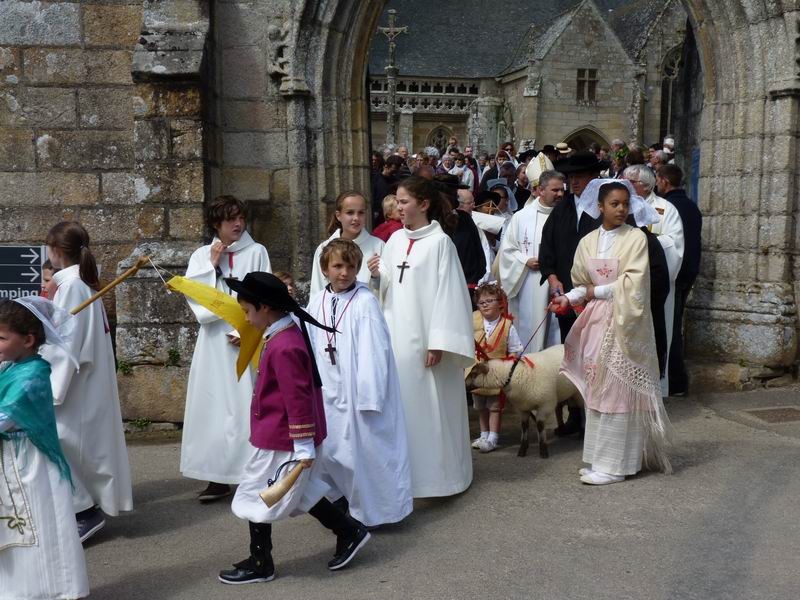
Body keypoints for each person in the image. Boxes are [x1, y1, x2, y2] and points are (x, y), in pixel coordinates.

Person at [219, 273, 369, 584]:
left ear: (264, 308)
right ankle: (349, 531)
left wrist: (302, 445)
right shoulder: (282, 333)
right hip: (281, 435)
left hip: (284, 439)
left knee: (256, 493)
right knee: (302, 494)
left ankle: (261, 563)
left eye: (248, 311)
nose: (246, 317)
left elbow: (297, 398)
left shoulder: (284, 344)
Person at [550, 180, 672, 485]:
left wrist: (595, 290)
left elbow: (636, 284)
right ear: (600, 206)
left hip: (624, 322)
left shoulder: (636, 239)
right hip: (596, 321)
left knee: (617, 391)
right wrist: (569, 298)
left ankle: (617, 465)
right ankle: (599, 457)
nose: (621, 209)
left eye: (625, 204)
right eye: (614, 204)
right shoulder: (588, 241)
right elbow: (580, 282)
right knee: (597, 388)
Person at [368, 176, 474, 498]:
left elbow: (450, 295)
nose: (398, 207)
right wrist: (376, 275)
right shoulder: (396, 241)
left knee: (432, 409)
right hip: (397, 340)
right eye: (397, 202)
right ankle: (406, 478)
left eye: (403, 202)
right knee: (403, 410)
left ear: (423, 204)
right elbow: (388, 289)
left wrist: (439, 341)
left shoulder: (441, 244)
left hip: (428, 343)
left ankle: (442, 479)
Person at [307, 240, 413, 527]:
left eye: (350, 267)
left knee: (364, 454)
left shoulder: (364, 302)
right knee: (331, 452)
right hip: (328, 389)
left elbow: (374, 351)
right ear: (325, 269)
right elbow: (310, 341)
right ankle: (343, 500)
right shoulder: (317, 301)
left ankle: (376, 513)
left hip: (357, 391)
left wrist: (369, 396)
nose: (344, 273)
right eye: (337, 266)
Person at [43, 221, 133, 542]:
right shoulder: (83, 283)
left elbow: (64, 345)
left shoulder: (71, 287)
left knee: (54, 443)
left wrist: (48, 386)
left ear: (55, 251)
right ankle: (80, 506)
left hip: (73, 383)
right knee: (80, 448)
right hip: (86, 379)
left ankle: (84, 510)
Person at [181, 196, 271, 502]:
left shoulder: (257, 251)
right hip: (211, 342)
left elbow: (265, 293)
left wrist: (244, 329)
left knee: (244, 405)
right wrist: (211, 265)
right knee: (212, 406)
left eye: (240, 218)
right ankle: (217, 476)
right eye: (230, 219)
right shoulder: (200, 256)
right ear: (216, 224)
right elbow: (198, 300)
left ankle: (251, 474)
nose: (237, 224)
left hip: (243, 338)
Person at [0, 298, 89, 599]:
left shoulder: (33, 374)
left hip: (31, 464)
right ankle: (17, 588)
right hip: (12, 458)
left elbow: (6, 417)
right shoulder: (11, 366)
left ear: (27, 340)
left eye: (1, 337)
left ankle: (52, 589)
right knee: (17, 524)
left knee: (38, 523)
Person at [624, 165, 685, 394]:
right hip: (627, 284)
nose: (626, 186)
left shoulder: (665, 209)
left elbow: (676, 245)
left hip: (655, 283)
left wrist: (648, 244)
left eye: (631, 183)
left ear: (646, 186)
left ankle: (656, 389)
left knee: (657, 333)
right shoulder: (621, 206)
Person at [499, 170, 565, 352]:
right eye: (555, 190)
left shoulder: (567, 215)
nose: (560, 194)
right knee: (531, 329)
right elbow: (507, 249)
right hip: (530, 281)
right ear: (541, 190)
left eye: (562, 190)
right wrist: (525, 260)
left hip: (561, 280)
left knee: (557, 331)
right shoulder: (521, 217)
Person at [657, 164, 702, 396]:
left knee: (670, 327)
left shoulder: (669, 208)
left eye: (658, 179)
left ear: (664, 181)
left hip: (674, 273)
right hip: (688, 271)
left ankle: (676, 380)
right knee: (674, 325)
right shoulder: (691, 205)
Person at [468, 283, 523, 453]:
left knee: (494, 407)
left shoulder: (507, 326)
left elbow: (516, 350)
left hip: (496, 376)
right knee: (480, 406)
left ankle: (493, 437)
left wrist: (509, 366)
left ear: (500, 303)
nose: (484, 305)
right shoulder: (473, 320)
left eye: (489, 301)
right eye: (481, 302)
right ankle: (483, 434)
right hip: (477, 373)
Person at [310, 191, 384, 296]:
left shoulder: (378, 246)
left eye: (361, 213)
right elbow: (317, 289)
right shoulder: (324, 248)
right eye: (350, 213)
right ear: (338, 215)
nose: (356, 218)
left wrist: (376, 277)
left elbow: (386, 288)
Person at [371, 155, 403, 224]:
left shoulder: (395, 180)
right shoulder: (375, 179)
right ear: (386, 166)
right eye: (393, 169)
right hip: (378, 212)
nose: (395, 172)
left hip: (390, 212)